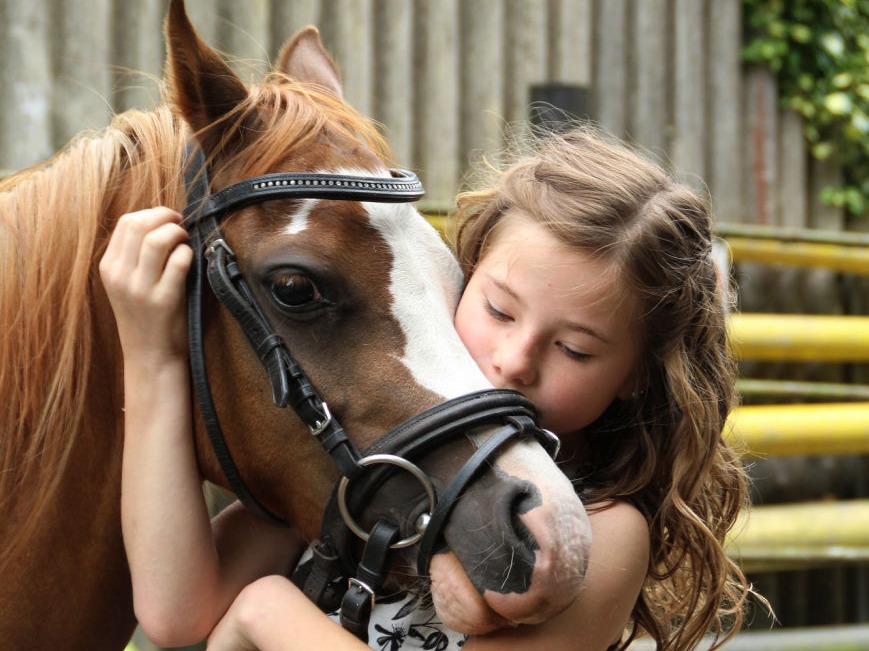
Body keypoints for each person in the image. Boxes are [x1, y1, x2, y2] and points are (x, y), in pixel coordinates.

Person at [101, 124, 758, 651]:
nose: (512, 359)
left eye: (573, 348)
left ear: (637, 376)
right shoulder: (371, 464)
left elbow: (226, 613)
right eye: (498, 310)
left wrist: (262, 612)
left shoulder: (604, 529)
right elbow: (174, 610)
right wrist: (150, 356)